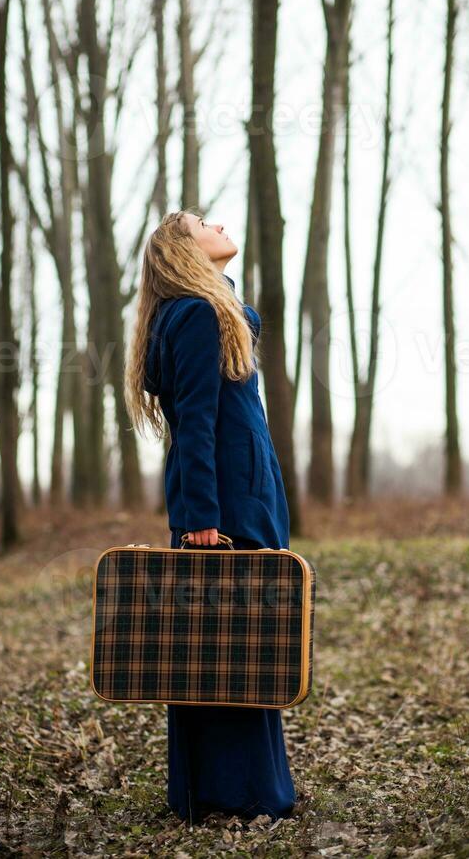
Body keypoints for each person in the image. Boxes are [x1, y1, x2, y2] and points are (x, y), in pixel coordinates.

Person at [124, 210, 296, 826]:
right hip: (220, 501)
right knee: (228, 642)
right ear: (182, 249)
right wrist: (200, 517)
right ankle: (234, 794)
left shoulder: (211, 308)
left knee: (246, 639)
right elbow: (194, 420)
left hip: (241, 491)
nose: (218, 222)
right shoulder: (196, 313)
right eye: (201, 221)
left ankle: (244, 788)